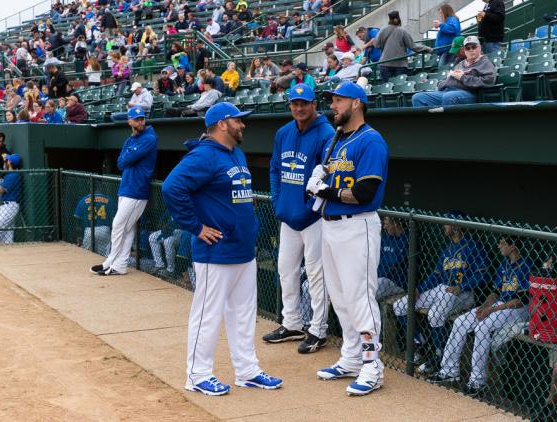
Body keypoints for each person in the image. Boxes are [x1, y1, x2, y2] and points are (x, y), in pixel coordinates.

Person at [161, 102, 283, 396]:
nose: (243, 125)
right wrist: (197, 227)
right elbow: (171, 188)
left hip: (243, 249)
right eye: (238, 120)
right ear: (222, 124)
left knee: (243, 314)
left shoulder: (235, 153)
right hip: (215, 252)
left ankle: (247, 371)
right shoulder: (203, 155)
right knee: (208, 314)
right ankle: (198, 375)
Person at [304, 81, 388, 396]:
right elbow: (330, 177)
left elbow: (365, 192)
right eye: (332, 101)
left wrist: (325, 189)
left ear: (356, 103)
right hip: (330, 225)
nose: (333, 106)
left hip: (358, 226)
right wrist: (318, 177)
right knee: (339, 297)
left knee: (360, 298)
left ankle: (372, 366)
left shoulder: (371, 141)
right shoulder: (338, 141)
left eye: (338, 101)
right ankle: (352, 357)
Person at [264, 84, 334, 353]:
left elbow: (326, 174)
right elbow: (274, 170)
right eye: (295, 103)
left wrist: (310, 207)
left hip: (314, 218)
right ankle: (292, 322)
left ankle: (318, 329)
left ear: (314, 104)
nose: (299, 108)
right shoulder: (284, 132)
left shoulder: (325, 132)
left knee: (316, 275)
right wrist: (277, 200)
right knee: (286, 271)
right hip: (288, 217)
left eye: (304, 103)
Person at [429, 237, 532, 397]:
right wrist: (485, 306)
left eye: (503, 243)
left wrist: (491, 310)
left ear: (512, 246)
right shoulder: (504, 264)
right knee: (460, 322)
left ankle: (477, 381)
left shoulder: (527, 266)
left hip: (518, 308)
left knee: (482, 327)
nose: (499, 246)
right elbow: (495, 292)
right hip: (500, 305)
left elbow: (521, 301)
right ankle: (449, 370)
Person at [392, 211, 488, 375]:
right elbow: (435, 275)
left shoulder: (473, 247)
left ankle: (438, 356)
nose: (444, 227)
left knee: (435, 314)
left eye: (447, 223)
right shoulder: (448, 249)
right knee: (399, 306)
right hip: (443, 289)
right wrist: (419, 290)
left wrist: (463, 286)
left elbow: (481, 274)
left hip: (463, 293)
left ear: (456, 226)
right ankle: (419, 343)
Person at [90, 107, 158, 276]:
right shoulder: (130, 140)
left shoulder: (149, 138)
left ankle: (110, 261)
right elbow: (120, 163)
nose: (140, 122)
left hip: (137, 189)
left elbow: (127, 159)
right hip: (126, 187)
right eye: (137, 119)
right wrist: (128, 156)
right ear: (130, 121)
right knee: (127, 229)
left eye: (142, 118)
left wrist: (128, 156)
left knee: (118, 225)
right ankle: (119, 265)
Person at [411, 36, 495, 107]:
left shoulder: (485, 63)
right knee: (418, 97)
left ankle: (447, 126)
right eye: (467, 48)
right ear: (464, 50)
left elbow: (488, 81)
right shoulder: (461, 63)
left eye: (474, 47)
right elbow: (449, 80)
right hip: (447, 91)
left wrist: (462, 77)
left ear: (479, 48)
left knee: (449, 97)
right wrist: (438, 84)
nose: (471, 50)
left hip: (468, 93)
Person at [373, 11, 434, 82]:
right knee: (399, 88)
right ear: (399, 18)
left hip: (384, 64)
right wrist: (427, 48)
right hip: (400, 64)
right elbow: (413, 46)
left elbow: (376, 45)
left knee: (387, 88)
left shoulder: (382, 30)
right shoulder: (402, 31)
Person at [0, 154, 22, 244]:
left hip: (10, 206)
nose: (6, 162)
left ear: (10, 162)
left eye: (7, 160)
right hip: (6, 206)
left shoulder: (13, 175)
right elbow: (5, 168)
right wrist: (5, 161)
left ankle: (5, 246)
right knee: (8, 236)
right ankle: (8, 248)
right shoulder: (10, 174)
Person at [376, 216, 408, 300]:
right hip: (380, 277)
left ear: (396, 224)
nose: (384, 227)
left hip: (395, 281)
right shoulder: (386, 237)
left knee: (368, 293)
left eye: (387, 224)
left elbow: (393, 264)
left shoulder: (406, 239)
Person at [74, 192, 116, 256]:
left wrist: (79, 236)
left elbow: (77, 218)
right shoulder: (109, 199)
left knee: (86, 254)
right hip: (104, 229)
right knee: (105, 256)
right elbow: (114, 218)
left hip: (89, 230)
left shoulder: (83, 200)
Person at [148, 213, 183, 277]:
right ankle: (159, 264)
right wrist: (163, 226)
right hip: (168, 230)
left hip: (180, 231)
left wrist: (168, 227)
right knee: (152, 237)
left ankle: (170, 269)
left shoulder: (183, 207)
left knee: (168, 241)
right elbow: (161, 221)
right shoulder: (170, 207)